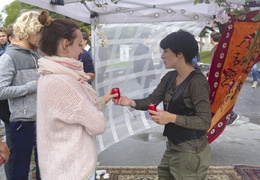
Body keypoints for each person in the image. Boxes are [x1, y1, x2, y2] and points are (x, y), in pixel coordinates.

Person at [114, 30, 212, 180]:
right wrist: (131, 102)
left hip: (191, 152)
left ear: (180, 54)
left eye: (166, 51)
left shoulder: (197, 83)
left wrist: (171, 117)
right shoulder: (170, 77)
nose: (162, 56)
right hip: (172, 146)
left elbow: (205, 121)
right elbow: (152, 99)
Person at [37, 11, 117, 180]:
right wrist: (97, 109)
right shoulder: (64, 81)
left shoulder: (50, 74)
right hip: (72, 171)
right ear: (66, 44)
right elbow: (97, 124)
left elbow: (76, 112)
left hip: (60, 168)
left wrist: (104, 99)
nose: (82, 51)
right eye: (80, 45)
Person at [0, 11, 42, 180]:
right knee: (19, 170)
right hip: (22, 123)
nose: (41, 37)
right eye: (39, 32)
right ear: (29, 29)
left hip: (43, 120)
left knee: (44, 168)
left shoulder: (37, 54)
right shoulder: (8, 57)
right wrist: (31, 86)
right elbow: (1, 90)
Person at [210, 31, 239, 125]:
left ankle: (232, 115)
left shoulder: (216, 49)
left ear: (211, 39)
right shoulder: (222, 48)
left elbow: (215, 65)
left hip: (218, 78)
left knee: (218, 97)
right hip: (222, 77)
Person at [133, 32, 155, 97]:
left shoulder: (145, 48)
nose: (151, 40)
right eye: (150, 38)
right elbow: (138, 65)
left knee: (145, 93)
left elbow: (149, 63)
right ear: (144, 39)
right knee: (145, 94)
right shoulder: (140, 50)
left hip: (146, 76)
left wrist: (152, 75)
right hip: (144, 76)